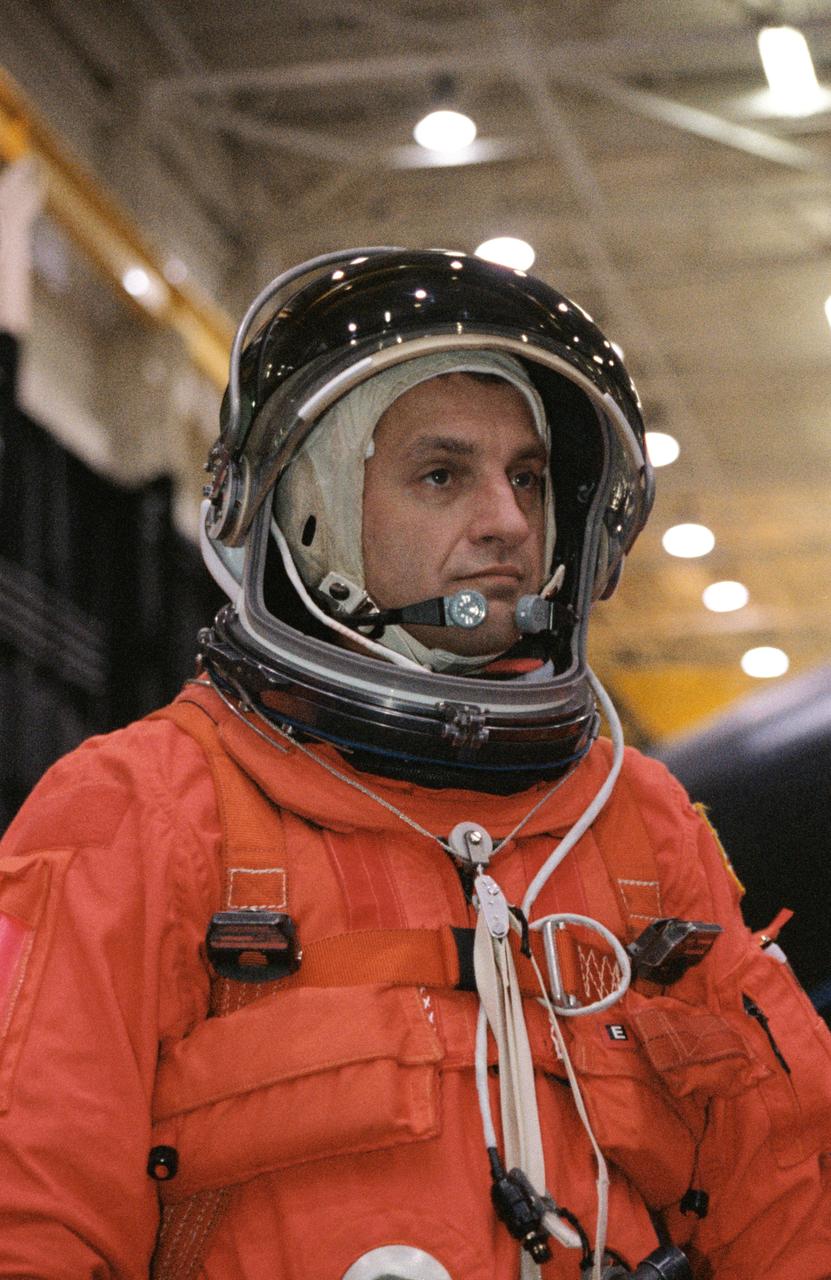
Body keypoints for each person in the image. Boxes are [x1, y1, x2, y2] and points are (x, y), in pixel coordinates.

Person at [0, 247, 829, 1280]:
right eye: (443, 475)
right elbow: (30, 1217)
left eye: (527, 478)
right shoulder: (146, 810)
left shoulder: (637, 825)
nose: (509, 522)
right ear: (312, 512)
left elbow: (789, 1198)